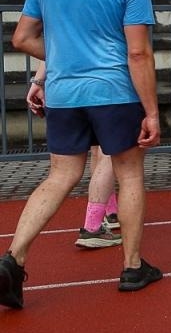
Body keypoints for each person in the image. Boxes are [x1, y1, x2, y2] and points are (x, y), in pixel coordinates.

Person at [0, 0, 162, 311]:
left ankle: (12, 260)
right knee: (129, 173)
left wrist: (52, 69)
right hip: (114, 91)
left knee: (60, 175)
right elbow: (138, 54)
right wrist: (152, 111)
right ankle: (131, 266)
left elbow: (21, 38)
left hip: (65, 92)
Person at [27, 71, 123, 249]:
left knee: (89, 156)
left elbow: (39, 47)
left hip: (64, 91)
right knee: (110, 154)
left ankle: (110, 212)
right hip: (107, 86)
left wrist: (39, 80)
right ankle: (93, 225)